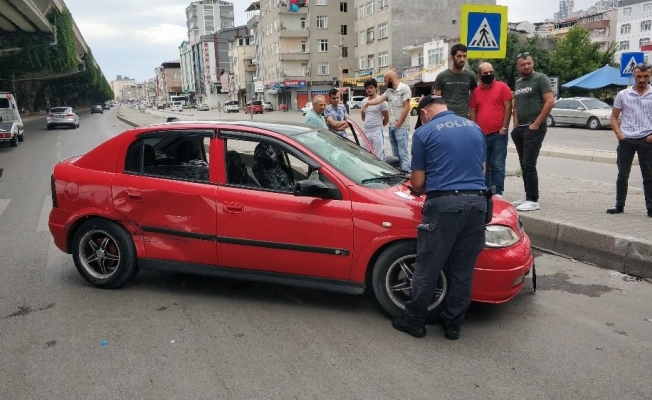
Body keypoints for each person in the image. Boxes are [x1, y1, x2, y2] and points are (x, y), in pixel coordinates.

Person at [391, 94, 487, 341]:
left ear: (424, 113)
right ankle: (453, 325)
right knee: (463, 270)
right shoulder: (475, 128)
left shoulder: (424, 133)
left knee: (428, 266)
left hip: (444, 206)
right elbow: (482, 170)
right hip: (478, 204)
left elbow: (418, 182)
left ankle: (414, 322)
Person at [510, 52, 555, 212]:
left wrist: (536, 124)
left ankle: (533, 200)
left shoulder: (540, 78)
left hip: (534, 127)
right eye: (523, 64)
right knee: (524, 164)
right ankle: (528, 195)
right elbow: (516, 106)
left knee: (529, 164)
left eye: (529, 63)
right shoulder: (518, 82)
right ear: (518, 67)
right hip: (521, 128)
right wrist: (515, 126)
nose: (526, 66)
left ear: (533, 63)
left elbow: (550, 102)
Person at [607, 63, 652, 218]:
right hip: (626, 139)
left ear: (650, 76)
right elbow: (614, 117)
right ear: (633, 76)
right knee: (622, 175)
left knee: (649, 176)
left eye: (646, 76)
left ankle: (650, 208)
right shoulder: (623, 94)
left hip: (647, 140)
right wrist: (620, 135)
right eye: (639, 76)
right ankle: (619, 205)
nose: (642, 80)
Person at [469, 62, 513, 196]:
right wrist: (474, 130)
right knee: (484, 165)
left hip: (499, 133)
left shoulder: (502, 87)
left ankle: (498, 192)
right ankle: (486, 191)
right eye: (485, 73)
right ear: (479, 75)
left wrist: (504, 127)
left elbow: (508, 107)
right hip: (481, 135)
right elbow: (473, 110)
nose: (489, 75)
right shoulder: (476, 91)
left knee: (498, 164)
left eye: (491, 72)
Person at [362, 70, 411, 171]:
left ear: (390, 79)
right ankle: (398, 173)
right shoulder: (389, 91)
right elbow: (379, 99)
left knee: (403, 153)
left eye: (385, 80)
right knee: (395, 154)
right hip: (392, 127)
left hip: (401, 127)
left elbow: (407, 107)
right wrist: (368, 103)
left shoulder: (404, 88)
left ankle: (405, 173)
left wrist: (399, 122)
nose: (384, 83)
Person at [433, 43, 478, 118]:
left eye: (464, 56)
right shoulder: (442, 76)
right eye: (459, 56)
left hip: (464, 117)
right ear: (452, 57)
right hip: (446, 116)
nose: (462, 59)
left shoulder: (470, 75)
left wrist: (471, 113)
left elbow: (474, 97)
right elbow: (437, 99)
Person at [360, 78, 389, 160]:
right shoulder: (364, 101)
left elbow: (386, 118)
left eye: (371, 87)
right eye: (367, 88)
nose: (369, 90)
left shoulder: (382, 102)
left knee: (379, 156)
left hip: (377, 131)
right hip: (366, 131)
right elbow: (363, 117)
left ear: (376, 88)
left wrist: (379, 126)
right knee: (364, 154)